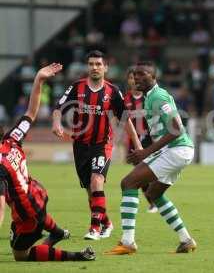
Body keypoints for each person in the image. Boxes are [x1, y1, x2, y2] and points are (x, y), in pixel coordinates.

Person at [0, 63, 95, 261]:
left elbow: (0, 206)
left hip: (27, 213)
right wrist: (39, 79)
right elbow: (31, 112)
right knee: (38, 216)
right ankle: (58, 233)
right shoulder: (12, 138)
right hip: (38, 193)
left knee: (20, 255)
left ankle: (78, 255)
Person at [104, 61, 196, 255]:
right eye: (135, 74)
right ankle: (186, 240)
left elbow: (176, 129)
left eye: (143, 74)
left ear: (154, 77)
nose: (137, 77)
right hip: (179, 150)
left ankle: (128, 242)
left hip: (176, 149)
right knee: (153, 194)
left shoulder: (158, 96)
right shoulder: (148, 98)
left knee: (128, 183)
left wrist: (146, 152)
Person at [52, 50, 141, 240]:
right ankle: (106, 223)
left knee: (96, 181)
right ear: (87, 67)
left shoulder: (112, 91)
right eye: (91, 64)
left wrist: (138, 145)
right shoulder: (77, 87)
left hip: (102, 144)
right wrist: (56, 123)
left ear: (105, 67)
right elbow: (59, 107)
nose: (95, 67)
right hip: (80, 145)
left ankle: (94, 229)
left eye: (98, 64)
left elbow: (125, 120)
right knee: (90, 192)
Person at [124, 67, 157, 213]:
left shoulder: (148, 97)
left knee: (151, 171)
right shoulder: (125, 99)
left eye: (135, 77)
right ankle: (152, 201)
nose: (134, 80)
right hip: (134, 141)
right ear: (128, 81)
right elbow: (120, 119)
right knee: (139, 172)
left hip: (151, 140)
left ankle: (155, 198)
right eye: (131, 78)